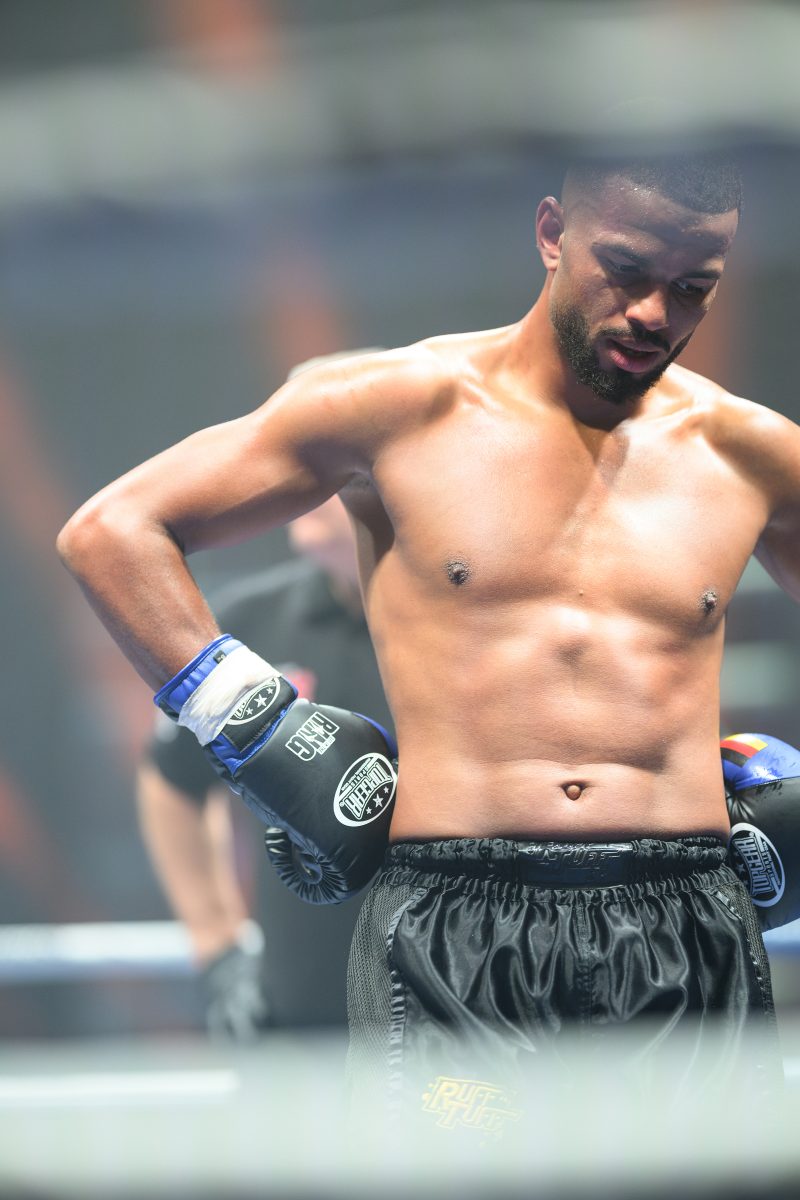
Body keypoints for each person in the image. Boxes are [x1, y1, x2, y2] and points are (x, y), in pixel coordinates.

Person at [58, 151, 796, 1125]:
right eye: (623, 270)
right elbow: (114, 532)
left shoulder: (750, 452)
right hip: (457, 922)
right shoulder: (398, 407)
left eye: (692, 288)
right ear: (551, 234)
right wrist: (255, 727)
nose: (653, 313)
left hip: (688, 914)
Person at [137, 494, 392, 1037]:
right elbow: (170, 780)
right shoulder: (247, 623)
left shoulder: (465, 624)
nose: (308, 493)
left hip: (448, 1010)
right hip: (294, 1013)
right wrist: (217, 947)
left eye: (332, 474)